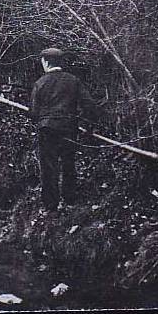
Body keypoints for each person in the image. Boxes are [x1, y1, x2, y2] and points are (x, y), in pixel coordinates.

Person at [28, 47, 98, 212]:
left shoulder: (40, 83)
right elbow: (89, 105)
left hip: (47, 129)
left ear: (45, 62)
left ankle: (51, 205)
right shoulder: (73, 80)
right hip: (69, 128)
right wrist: (88, 125)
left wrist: (42, 119)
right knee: (68, 163)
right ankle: (70, 199)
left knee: (48, 167)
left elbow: (33, 112)